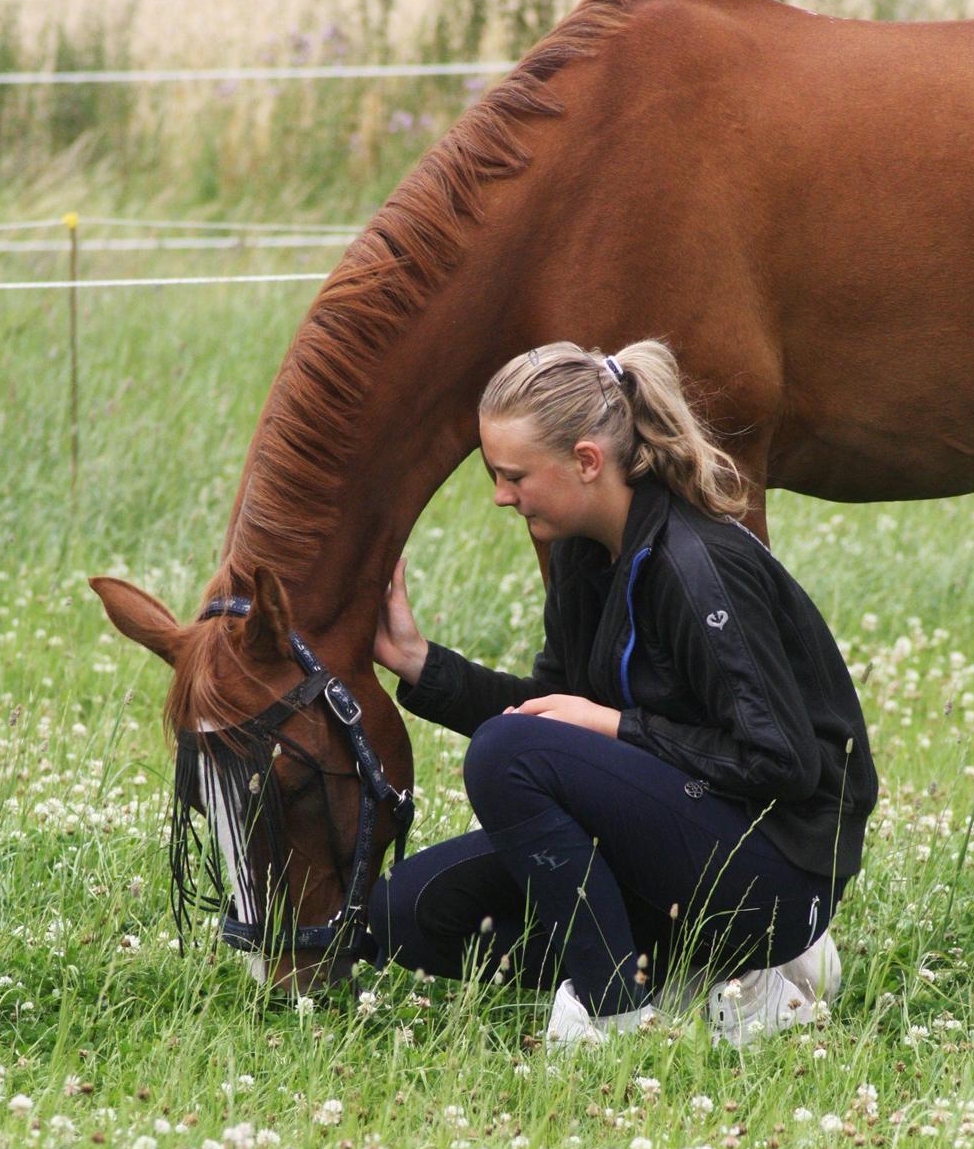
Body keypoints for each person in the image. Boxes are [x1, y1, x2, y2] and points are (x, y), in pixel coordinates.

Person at [369, 341, 878, 1048]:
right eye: (494, 474)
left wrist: (616, 726)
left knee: (503, 755)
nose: (500, 496)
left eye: (514, 475)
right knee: (403, 913)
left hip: (779, 873)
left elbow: (784, 763)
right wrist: (421, 665)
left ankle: (619, 1016)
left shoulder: (697, 566)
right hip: (676, 845)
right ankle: (702, 974)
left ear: (585, 461)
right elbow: (551, 715)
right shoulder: (585, 552)